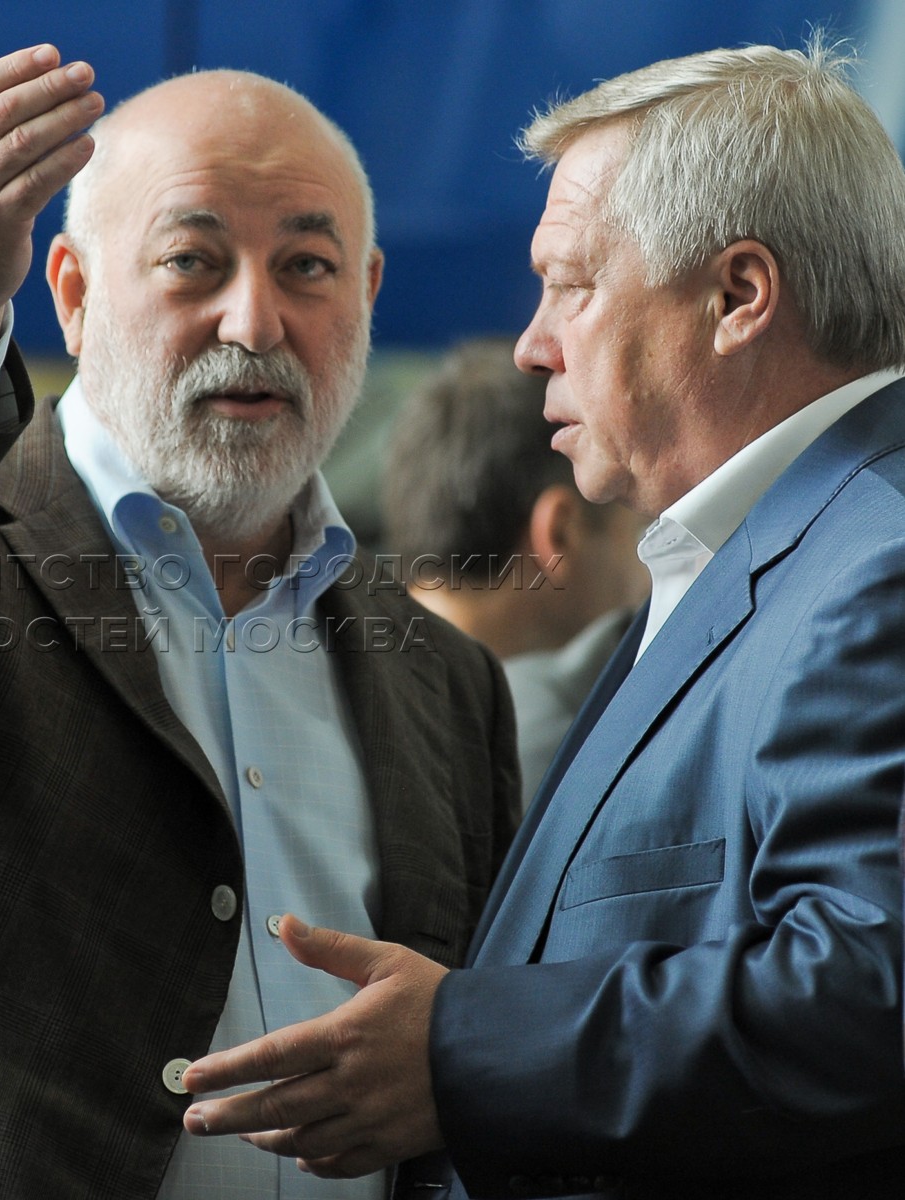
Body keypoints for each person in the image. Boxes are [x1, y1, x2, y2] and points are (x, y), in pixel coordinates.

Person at [0, 36, 520, 1200]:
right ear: (72, 291)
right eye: (193, 261)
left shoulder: (446, 680)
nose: (253, 320)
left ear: (367, 297)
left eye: (307, 267)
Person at [178, 37, 905, 1198]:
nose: (532, 344)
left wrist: (458, 1051)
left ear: (738, 296)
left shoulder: (878, 564)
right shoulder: (760, 554)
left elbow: (874, 992)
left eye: (569, 282)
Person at [380, 338, 647, 809]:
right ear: (559, 531)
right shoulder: (568, 749)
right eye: (638, 530)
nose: (647, 574)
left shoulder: (352, 701)